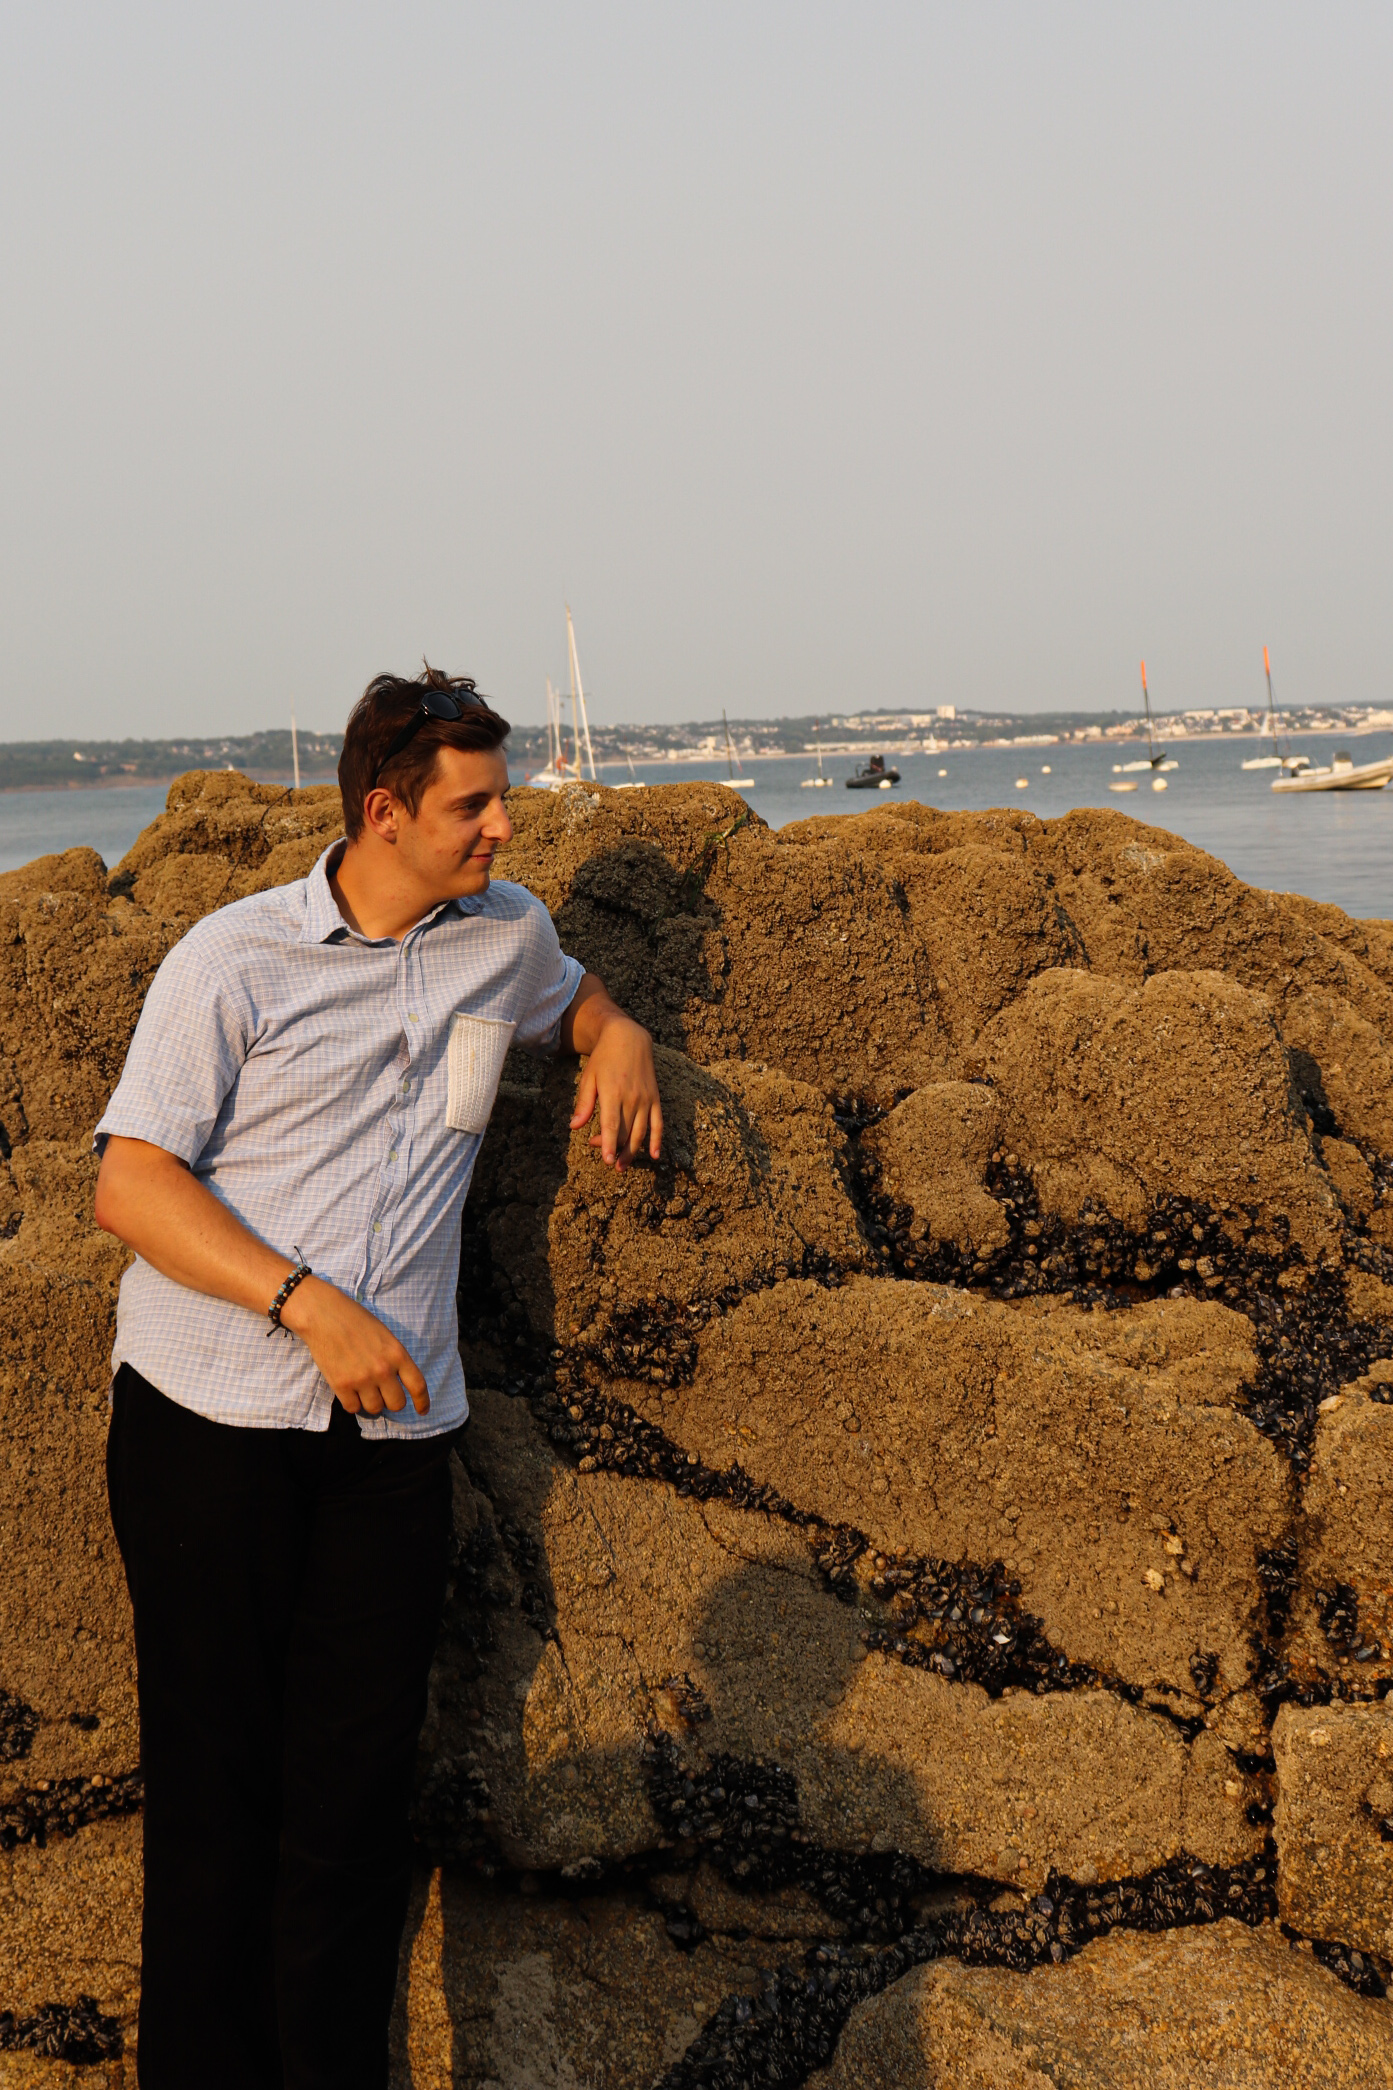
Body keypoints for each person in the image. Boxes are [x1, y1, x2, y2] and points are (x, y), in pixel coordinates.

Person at [93, 667, 663, 2090]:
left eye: (502, 800)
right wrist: (306, 1305)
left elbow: (575, 1001)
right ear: (384, 812)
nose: (502, 829)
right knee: (215, 1813)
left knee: (352, 1819)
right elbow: (129, 1183)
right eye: (473, 807)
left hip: (395, 1446)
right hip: (207, 1425)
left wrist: (621, 1035)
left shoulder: (507, 936)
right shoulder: (235, 958)